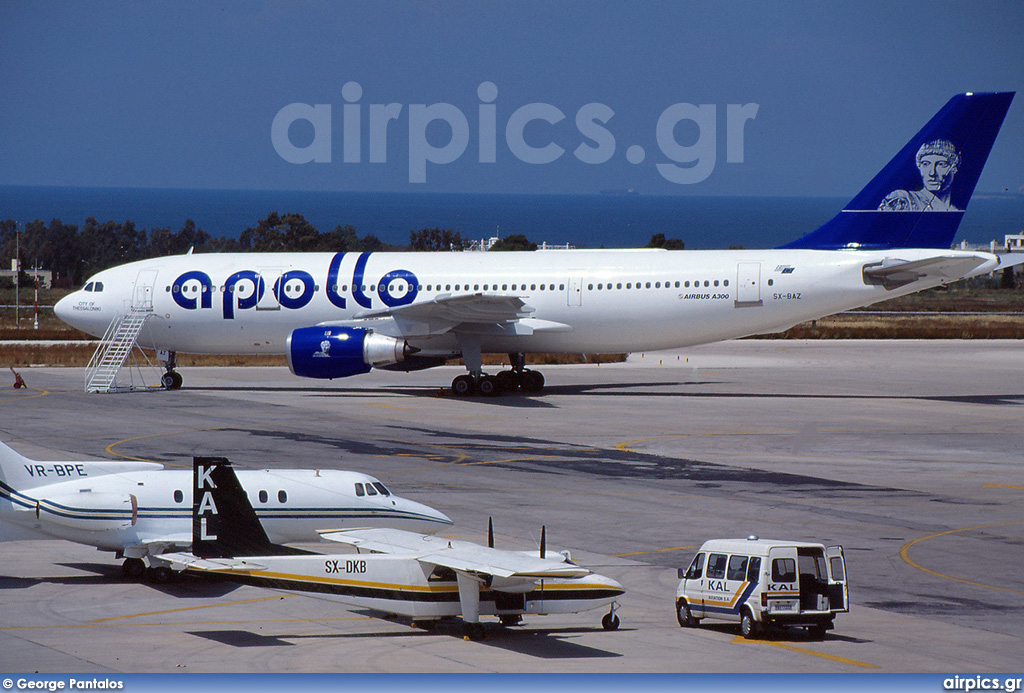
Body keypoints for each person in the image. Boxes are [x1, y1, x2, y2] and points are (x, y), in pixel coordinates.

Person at [878, 139, 961, 211]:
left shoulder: (954, 209)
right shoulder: (905, 200)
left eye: (941, 164)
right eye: (925, 164)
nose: (932, 173)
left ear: (954, 168)